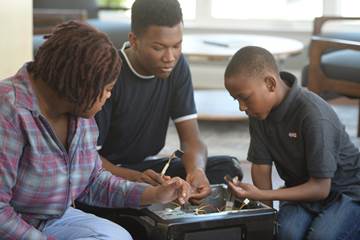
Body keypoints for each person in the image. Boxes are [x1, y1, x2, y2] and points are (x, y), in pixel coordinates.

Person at [0, 21, 191, 240]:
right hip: (11, 224)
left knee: (119, 237)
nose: (109, 96)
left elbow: (93, 181)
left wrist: (156, 194)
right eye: (107, 89)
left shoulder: (79, 114)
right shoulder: (9, 110)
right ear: (81, 85)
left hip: (52, 218)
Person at [95, 0, 242, 202]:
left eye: (177, 46)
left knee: (227, 168)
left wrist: (196, 171)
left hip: (149, 169)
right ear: (134, 40)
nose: (170, 57)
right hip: (107, 173)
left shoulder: (177, 67)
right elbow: (85, 160)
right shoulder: (108, 72)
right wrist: (135, 179)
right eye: (159, 48)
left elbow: (192, 140)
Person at [224, 46, 360, 240]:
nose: (241, 107)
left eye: (244, 97)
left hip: (345, 194)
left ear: (270, 84)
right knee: (285, 233)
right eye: (236, 99)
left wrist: (263, 195)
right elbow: (261, 167)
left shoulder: (313, 115)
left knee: (321, 236)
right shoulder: (258, 113)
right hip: (301, 189)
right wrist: (267, 218)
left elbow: (321, 188)